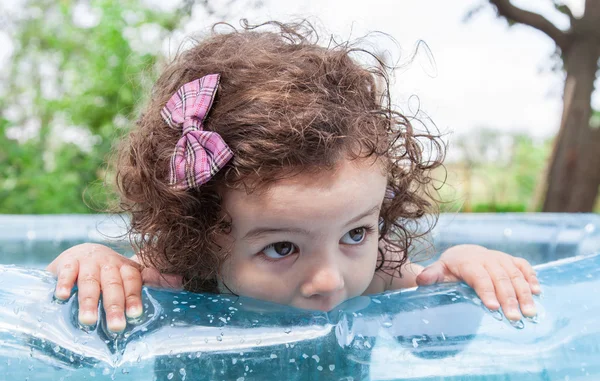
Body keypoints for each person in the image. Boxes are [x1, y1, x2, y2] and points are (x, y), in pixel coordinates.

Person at [47, 21, 540, 333]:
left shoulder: (380, 274)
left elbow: (438, 342)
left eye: (355, 233)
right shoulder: (178, 277)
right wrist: (92, 261)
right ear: (196, 237)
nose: (329, 281)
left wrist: (462, 270)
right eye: (282, 248)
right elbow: (101, 288)